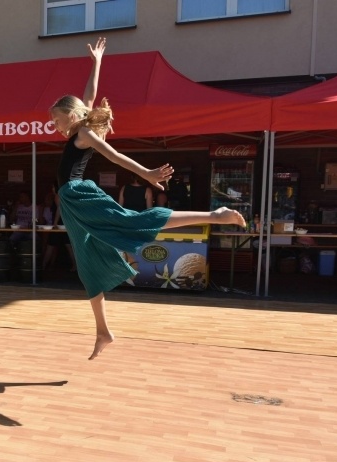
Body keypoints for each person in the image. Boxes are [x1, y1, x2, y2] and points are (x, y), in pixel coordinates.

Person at [49, 37, 245, 360]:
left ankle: (216, 215)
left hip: (77, 195)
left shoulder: (83, 134)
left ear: (71, 116)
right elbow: (89, 95)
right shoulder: (79, 127)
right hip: (71, 207)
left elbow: (114, 157)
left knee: (134, 220)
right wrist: (96, 62)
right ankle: (103, 331)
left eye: (56, 118)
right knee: (86, 265)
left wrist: (148, 175)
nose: (53, 124)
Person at [42, 186, 77, 272]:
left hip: (60, 224)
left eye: (53, 187)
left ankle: (43, 265)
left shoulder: (58, 196)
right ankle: (75, 265)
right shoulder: (64, 195)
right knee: (68, 245)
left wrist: (55, 223)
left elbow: (59, 209)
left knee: (51, 245)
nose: (52, 189)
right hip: (66, 223)